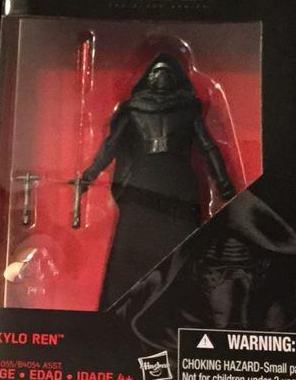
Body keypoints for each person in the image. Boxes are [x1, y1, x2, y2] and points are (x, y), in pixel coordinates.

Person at [76, 53, 237, 310]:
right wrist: (223, 182)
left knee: (172, 242)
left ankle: (169, 304)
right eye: (157, 72)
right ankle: (130, 304)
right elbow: (112, 145)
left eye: (166, 73)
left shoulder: (174, 109)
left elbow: (111, 146)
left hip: (164, 181)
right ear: (149, 79)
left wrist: (224, 183)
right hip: (158, 180)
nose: (161, 78)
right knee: (138, 241)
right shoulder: (154, 109)